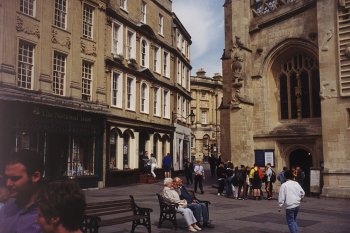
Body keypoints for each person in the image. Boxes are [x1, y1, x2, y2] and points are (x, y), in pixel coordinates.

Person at [0, 150, 44, 233]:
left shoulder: (48, 213)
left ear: (35, 176)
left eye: (15, 178)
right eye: (6, 178)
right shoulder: (9, 205)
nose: (8, 184)